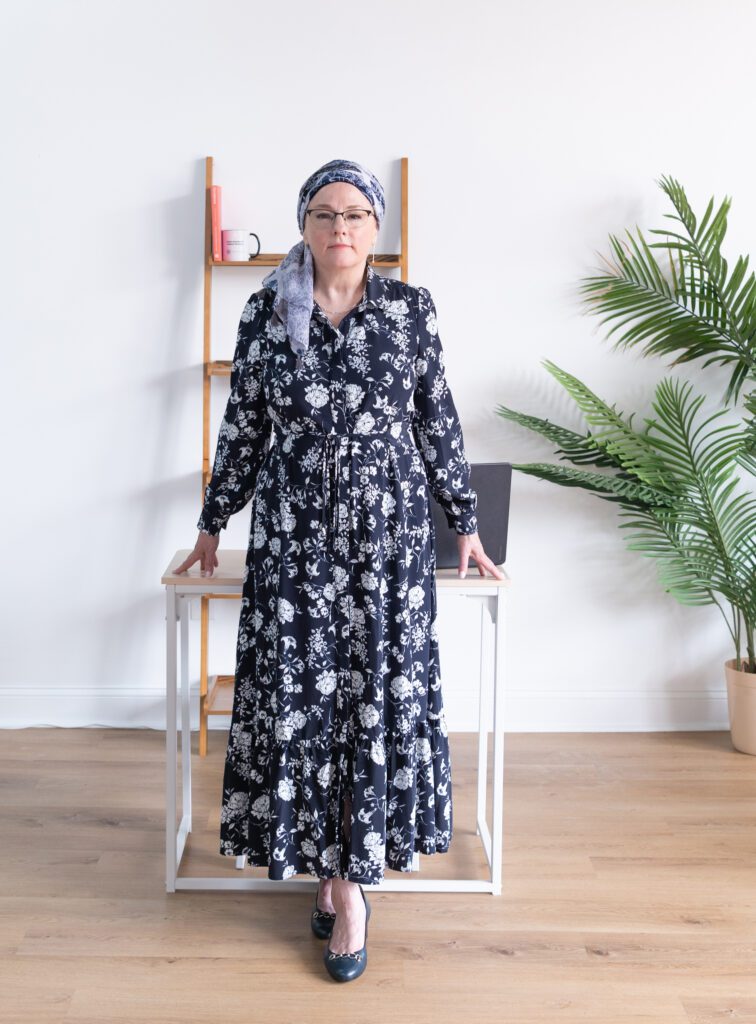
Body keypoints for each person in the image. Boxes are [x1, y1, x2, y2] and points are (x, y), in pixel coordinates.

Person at [174, 158, 505, 982]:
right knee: (304, 703)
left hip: (388, 540)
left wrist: (463, 525)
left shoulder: (408, 311)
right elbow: (244, 426)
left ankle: (352, 886)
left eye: (356, 214)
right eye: (324, 214)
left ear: (377, 229)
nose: (340, 229)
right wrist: (214, 526)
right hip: (294, 535)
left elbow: (439, 423)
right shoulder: (265, 312)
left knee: (372, 697)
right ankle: (329, 869)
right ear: (305, 225)